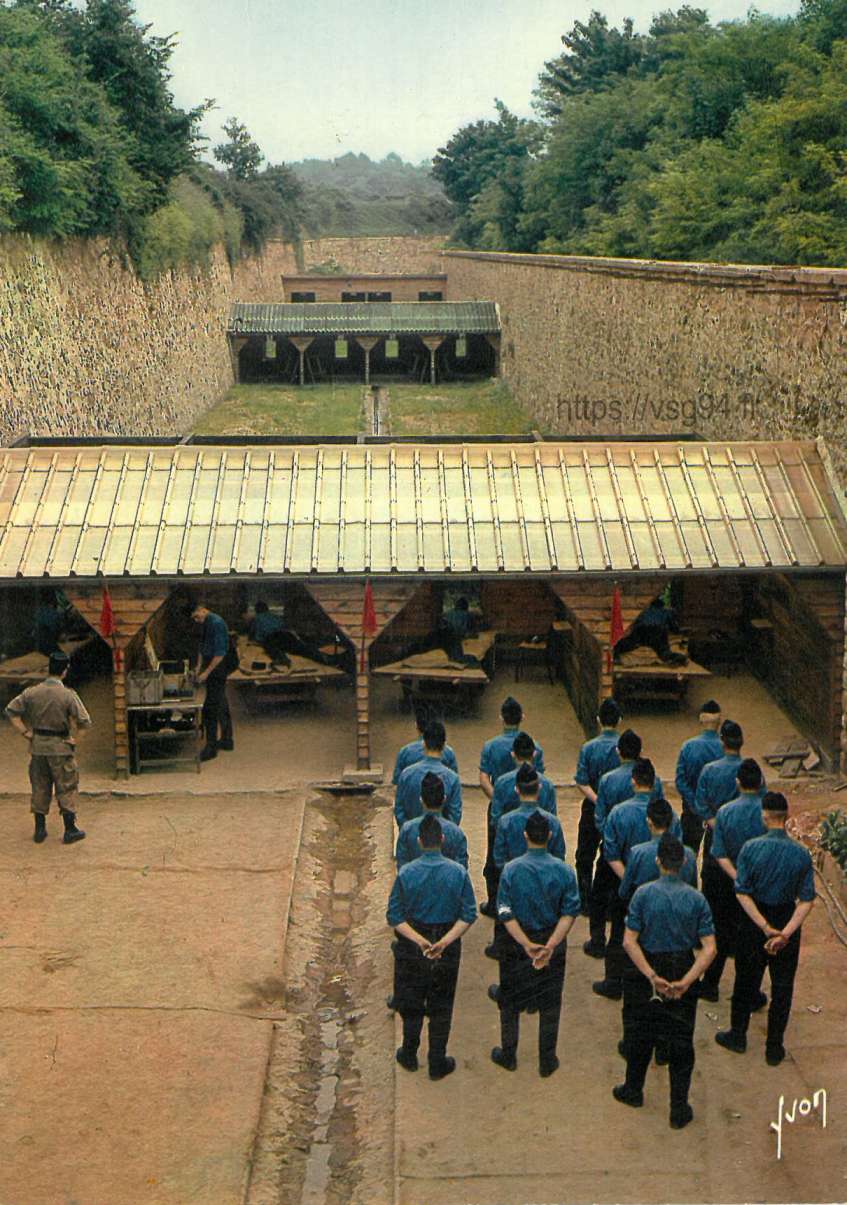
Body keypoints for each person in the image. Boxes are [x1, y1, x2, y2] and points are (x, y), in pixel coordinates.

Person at [614, 834, 716, 1130]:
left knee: (639, 1033)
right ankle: (678, 1108)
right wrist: (686, 980)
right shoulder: (697, 899)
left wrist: (650, 976)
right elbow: (709, 947)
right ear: (684, 861)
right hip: (683, 963)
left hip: (647, 967)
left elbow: (629, 941)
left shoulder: (643, 895)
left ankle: (633, 1090)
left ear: (658, 861)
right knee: (681, 1041)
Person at [715, 792, 816, 1066]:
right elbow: (807, 900)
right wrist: (785, 933)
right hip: (787, 916)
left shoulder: (750, 849)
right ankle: (774, 1047)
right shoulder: (801, 853)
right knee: (782, 987)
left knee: (746, 979)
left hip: (755, 919)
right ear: (786, 816)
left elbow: (742, 892)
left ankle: (738, 1035)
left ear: (764, 815)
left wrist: (764, 927)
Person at [489, 809, 581, 1077]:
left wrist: (526, 943)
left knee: (510, 998)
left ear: (526, 835)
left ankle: (509, 1054)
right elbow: (569, 912)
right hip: (552, 939)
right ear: (550, 836)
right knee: (551, 1002)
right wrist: (550, 945)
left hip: (516, 941)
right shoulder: (565, 872)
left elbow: (504, 911)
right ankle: (547, 1059)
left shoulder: (511, 870)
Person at [387, 813, 477, 1079]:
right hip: (447, 940)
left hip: (413, 942)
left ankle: (409, 1052)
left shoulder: (406, 873)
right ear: (441, 839)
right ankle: (437, 1060)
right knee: (442, 1002)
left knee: (411, 998)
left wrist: (419, 940)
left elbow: (394, 917)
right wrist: (446, 941)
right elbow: (469, 914)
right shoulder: (458, 873)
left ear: (418, 840)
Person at [593, 760, 683, 1000]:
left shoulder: (619, 813)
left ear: (633, 781)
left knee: (621, 934)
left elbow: (610, 853)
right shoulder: (671, 816)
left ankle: (614, 982)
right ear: (654, 783)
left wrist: (630, 882)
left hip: (628, 883)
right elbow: (679, 850)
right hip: (666, 885)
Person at [585, 730, 664, 959]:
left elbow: (599, 817)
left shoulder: (608, 780)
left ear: (618, 752)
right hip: (647, 855)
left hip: (613, 852)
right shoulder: (654, 782)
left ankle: (598, 941)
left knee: (599, 896)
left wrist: (610, 836)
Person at [700, 758, 768, 1002]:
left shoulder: (725, 813)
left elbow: (718, 852)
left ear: (738, 782)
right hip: (757, 883)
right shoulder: (767, 813)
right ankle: (749, 992)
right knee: (750, 937)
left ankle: (710, 984)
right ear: (761, 782)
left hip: (725, 879)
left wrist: (737, 876)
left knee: (720, 928)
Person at [5, 650, 90, 844]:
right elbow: (85, 722)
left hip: (38, 747)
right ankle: (70, 829)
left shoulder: (32, 692)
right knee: (66, 786)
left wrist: (26, 733)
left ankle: (40, 829)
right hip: (60, 747)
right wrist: (76, 739)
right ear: (65, 671)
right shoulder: (68, 695)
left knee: (40, 786)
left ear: (48, 669)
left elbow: (11, 711)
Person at [479, 697, 544, 917]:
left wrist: (498, 798)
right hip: (532, 810)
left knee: (497, 857)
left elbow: (484, 778)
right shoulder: (536, 748)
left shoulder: (490, 746)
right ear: (522, 717)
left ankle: (496, 904)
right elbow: (540, 779)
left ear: (501, 717)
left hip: (501, 809)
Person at [574, 698, 622, 915]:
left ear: (598, 720)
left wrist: (597, 800)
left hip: (592, 806)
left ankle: (584, 901)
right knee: (614, 854)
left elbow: (582, 781)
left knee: (585, 854)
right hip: (618, 809)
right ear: (619, 720)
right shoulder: (625, 746)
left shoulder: (589, 747)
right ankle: (609, 902)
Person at [493, 764, 565, 870]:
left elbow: (499, 859)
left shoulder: (505, 822)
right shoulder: (553, 822)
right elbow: (559, 856)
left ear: (517, 789)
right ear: (539, 787)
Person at [674, 699, 722, 853]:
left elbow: (680, 781)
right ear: (719, 721)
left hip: (691, 812)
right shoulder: (725, 748)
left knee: (687, 854)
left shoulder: (688, 747)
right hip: (716, 815)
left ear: (701, 719)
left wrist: (694, 804)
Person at [395, 720, 462, 827]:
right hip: (442, 839)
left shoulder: (406, 775)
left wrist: (408, 830)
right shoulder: (452, 779)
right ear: (444, 745)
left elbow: (399, 809)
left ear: (424, 744)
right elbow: (455, 814)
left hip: (411, 838)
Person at [396, 773, 468, 870]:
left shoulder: (407, 830)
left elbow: (402, 868)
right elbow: (462, 872)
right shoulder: (457, 834)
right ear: (444, 799)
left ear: (421, 800)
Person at [192, 603, 235, 761]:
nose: (196, 620)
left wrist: (205, 673)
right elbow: (202, 647)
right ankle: (227, 739)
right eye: (194, 619)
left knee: (209, 708)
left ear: (202, 609)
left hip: (219, 665)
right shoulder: (205, 623)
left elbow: (220, 654)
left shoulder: (216, 623)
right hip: (211, 663)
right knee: (221, 701)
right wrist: (198, 666)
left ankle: (211, 749)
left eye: (197, 616)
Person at [490, 731, 557, 829]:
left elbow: (496, 820)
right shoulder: (547, 785)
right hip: (539, 838)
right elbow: (552, 821)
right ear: (534, 754)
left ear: (513, 754)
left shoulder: (501, 783)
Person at [392, 706, 458, 785]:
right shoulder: (449, 753)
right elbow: (453, 782)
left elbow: (397, 782)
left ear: (416, 725)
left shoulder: (405, 752)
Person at [613, 595, 683, 665]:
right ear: (662, 604)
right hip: (658, 632)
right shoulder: (666, 612)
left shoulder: (644, 611)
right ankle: (678, 658)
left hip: (642, 632)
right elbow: (674, 629)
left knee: (627, 644)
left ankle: (615, 654)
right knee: (663, 652)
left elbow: (635, 625)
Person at [33, 590, 64, 656]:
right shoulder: (54, 614)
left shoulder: (39, 612)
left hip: (38, 645)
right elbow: (57, 633)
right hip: (48, 646)